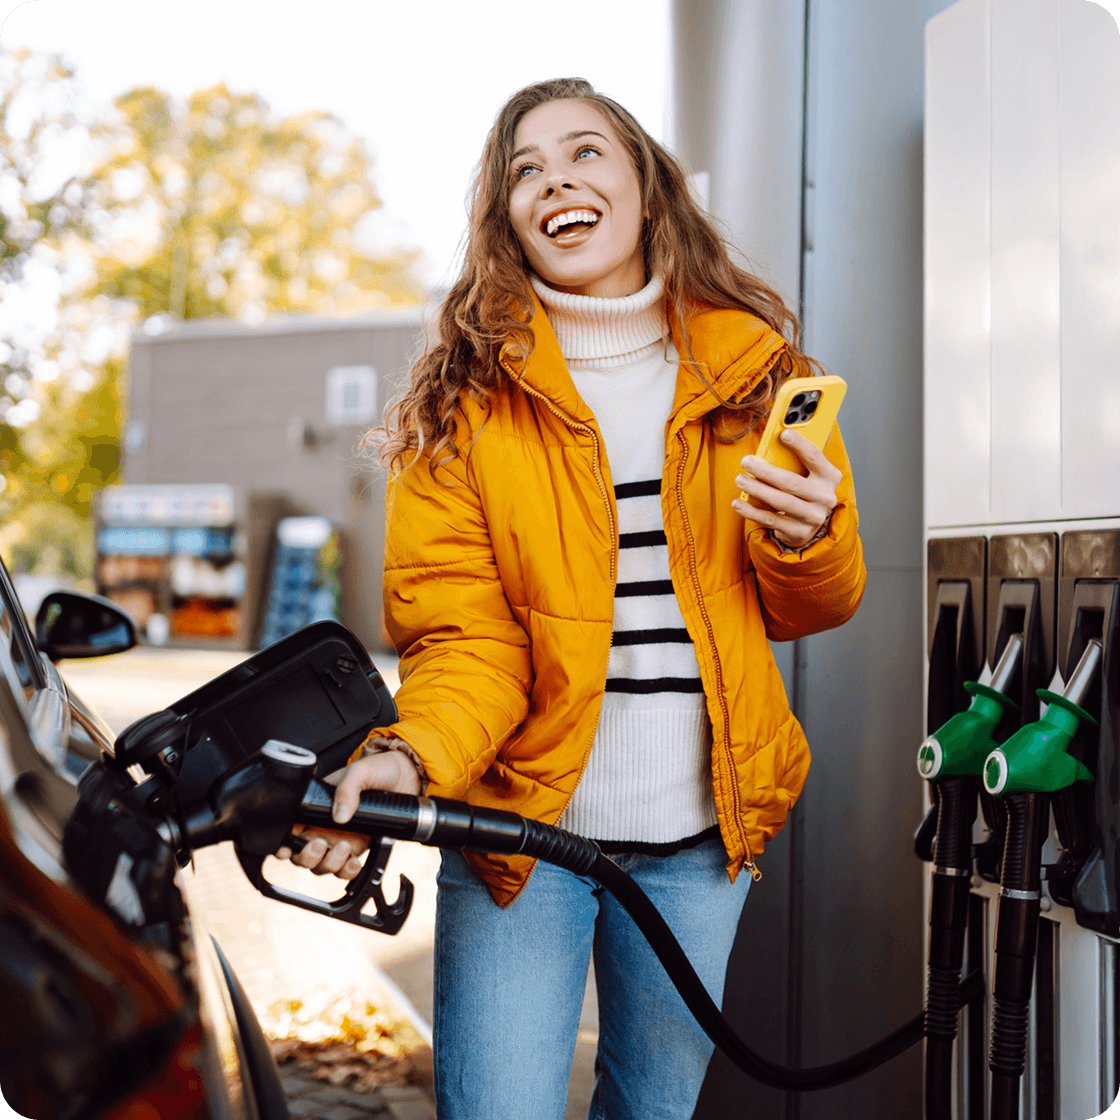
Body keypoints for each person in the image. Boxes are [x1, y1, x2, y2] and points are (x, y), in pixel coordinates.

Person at [275, 77, 866, 1119]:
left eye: (585, 153)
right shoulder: (463, 410)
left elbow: (809, 608)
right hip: (518, 835)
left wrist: (806, 536)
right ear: (506, 218)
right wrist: (406, 755)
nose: (557, 180)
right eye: (525, 170)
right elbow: (465, 640)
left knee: (652, 1109)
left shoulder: (756, 375)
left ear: (645, 186)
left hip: (697, 839)